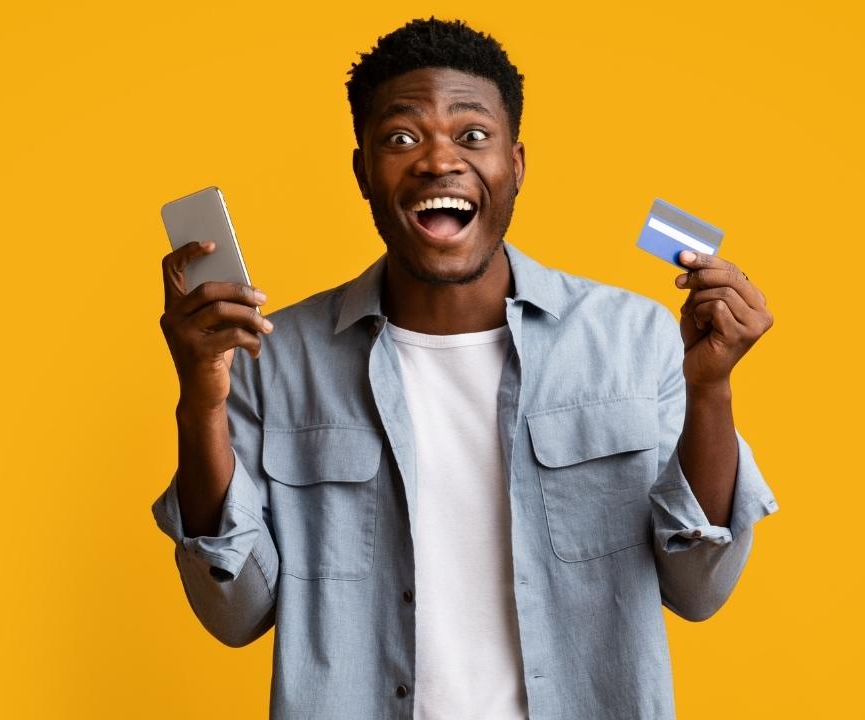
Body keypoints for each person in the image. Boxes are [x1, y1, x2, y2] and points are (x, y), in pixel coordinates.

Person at [152, 17, 778, 720]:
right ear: (362, 171)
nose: (437, 160)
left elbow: (699, 588)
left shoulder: (633, 338)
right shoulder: (275, 354)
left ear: (516, 164)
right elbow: (234, 611)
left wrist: (712, 386)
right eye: (401, 137)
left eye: (472, 136)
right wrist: (200, 403)